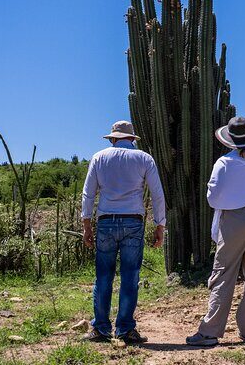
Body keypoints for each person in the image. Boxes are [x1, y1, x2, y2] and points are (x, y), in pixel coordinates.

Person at [186, 116, 245, 346]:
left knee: (224, 273)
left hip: (234, 221)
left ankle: (210, 331)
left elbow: (213, 197)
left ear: (229, 141)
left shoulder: (224, 163)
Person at [81, 120, 166, 343]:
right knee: (130, 276)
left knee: (103, 276)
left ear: (113, 138)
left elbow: (88, 194)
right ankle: (125, 329)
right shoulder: (144, 158)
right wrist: (160, 225)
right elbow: (157, 194)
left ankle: (100, 328)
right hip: (133, 222)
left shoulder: (99, 158)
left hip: (106, 221)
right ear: (132, 139)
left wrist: (86, 224)